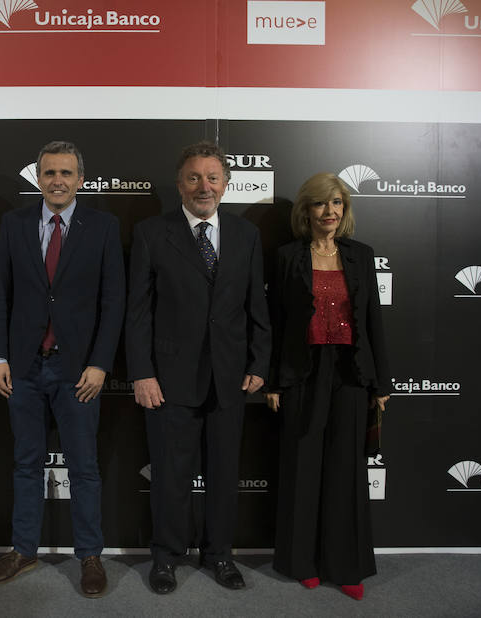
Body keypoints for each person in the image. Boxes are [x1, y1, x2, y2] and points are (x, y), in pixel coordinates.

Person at [125, 140, 271, 595]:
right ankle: (167, 558)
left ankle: (220, 555)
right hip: (168, 379)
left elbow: (257, 307)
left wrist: (260, 361)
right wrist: (142, 373)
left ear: (226, 184)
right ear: (179, 183)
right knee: (170, 476)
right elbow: (138, 312)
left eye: (212, 177)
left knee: (225, 475)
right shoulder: (151, 233)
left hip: (230, 377)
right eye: (194, 177)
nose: (203, 186)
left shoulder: (246, 235)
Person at [0, 141, 125, 598]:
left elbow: (113, 301)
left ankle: (89, 555)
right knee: (26, 464)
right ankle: (23, 549)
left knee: (84, 468)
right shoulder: (14, 223)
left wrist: (101, 363)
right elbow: (1, 293)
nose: (58, 181)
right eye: (49, 173)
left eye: (66, 173)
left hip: (79, 370)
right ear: (38, 178)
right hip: (22, 368)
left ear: (80, 180)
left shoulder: (103, 227)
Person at [265, 172, 390, 601]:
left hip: (351, 373)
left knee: (346, 471)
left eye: (337, 203)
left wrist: (382, 383)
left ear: (345, 210)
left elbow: (374, 322)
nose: (329, 212)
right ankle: (302, 562)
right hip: (302, 371)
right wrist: (274, 381)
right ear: (307, 210)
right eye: (321, 204)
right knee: (302, 467)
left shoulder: (361, 255)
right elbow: (277, 324)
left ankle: (347, 566)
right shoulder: (286, 257)